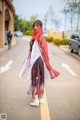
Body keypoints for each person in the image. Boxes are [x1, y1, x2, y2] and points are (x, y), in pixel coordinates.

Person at [19, 20, 60, 107]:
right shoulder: (34, 37)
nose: (35, 27)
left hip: (38, 61)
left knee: (36, 80)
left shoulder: (41, 37)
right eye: (34, 26)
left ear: (40, 27)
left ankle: (35, 100)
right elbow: (32, 51)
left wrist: (48, 64)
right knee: (40, 79)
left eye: (37, 26)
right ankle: (41, 98)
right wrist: (28, 59)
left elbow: (45, 51)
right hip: (36, 61)